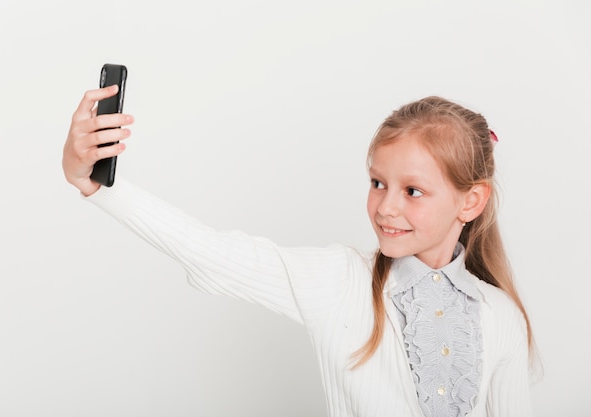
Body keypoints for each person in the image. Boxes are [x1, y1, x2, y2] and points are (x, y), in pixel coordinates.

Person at [63, 86, 535, 417]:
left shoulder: (500, 316)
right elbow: (214, 254)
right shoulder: (338, 281)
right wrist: (98, 186)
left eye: (413, 191)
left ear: (470, 201)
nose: (386, 207)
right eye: (377, 183)